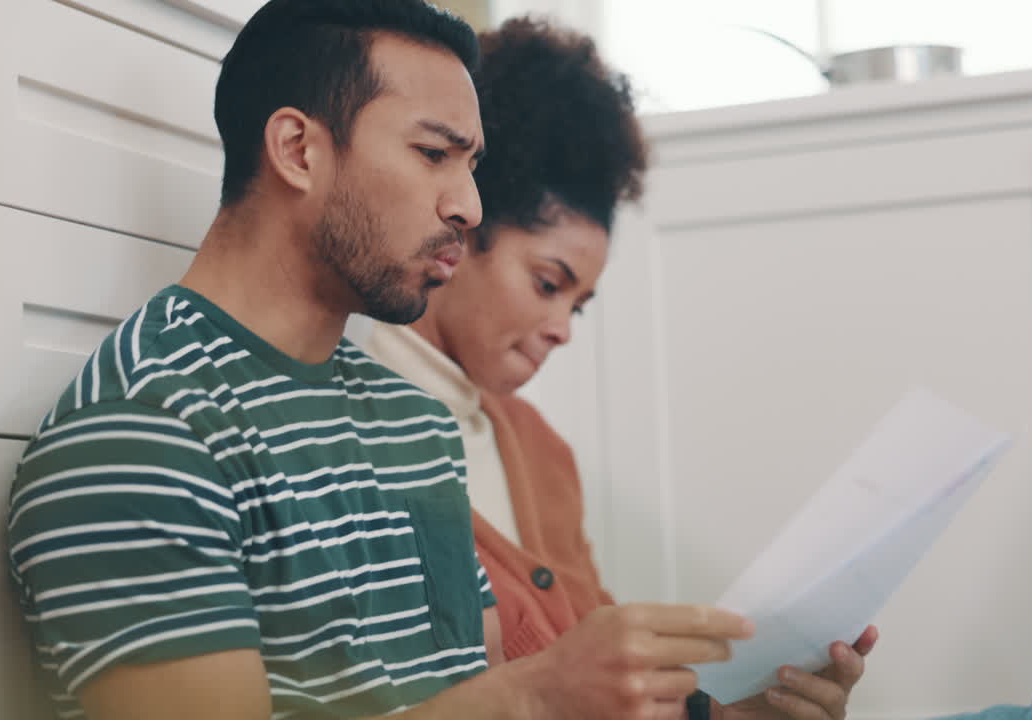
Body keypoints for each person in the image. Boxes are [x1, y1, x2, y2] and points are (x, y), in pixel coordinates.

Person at [6, 2, 774, 719]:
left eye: (469, 166)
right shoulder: (139, 441)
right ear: (298, 150)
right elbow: (506, 700)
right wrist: (536, 695)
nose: (467, 207)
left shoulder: (412, 423)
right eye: (434, 153)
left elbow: (472, 690)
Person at [362, 15, 875, 720]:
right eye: (549, 283)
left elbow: (599, 673)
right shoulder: (340, 429)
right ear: (461, 227)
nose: (562, 330)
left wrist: (737, 713)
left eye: (581, 305)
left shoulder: (540, 450)